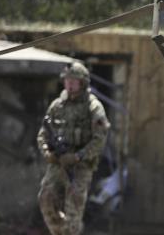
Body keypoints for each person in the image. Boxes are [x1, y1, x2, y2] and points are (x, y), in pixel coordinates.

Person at [37, 61, 110, 235]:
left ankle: (71, 230)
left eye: (74, 80)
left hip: (79, 167)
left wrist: (78, 156)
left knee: (73, 210)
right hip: (57, 164)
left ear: (82, 83)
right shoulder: (57, 106)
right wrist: (47, 152)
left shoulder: (93, 107)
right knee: (45, 200)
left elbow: (99, 140)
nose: (69, 83)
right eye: (67, 80)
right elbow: (43, 133)